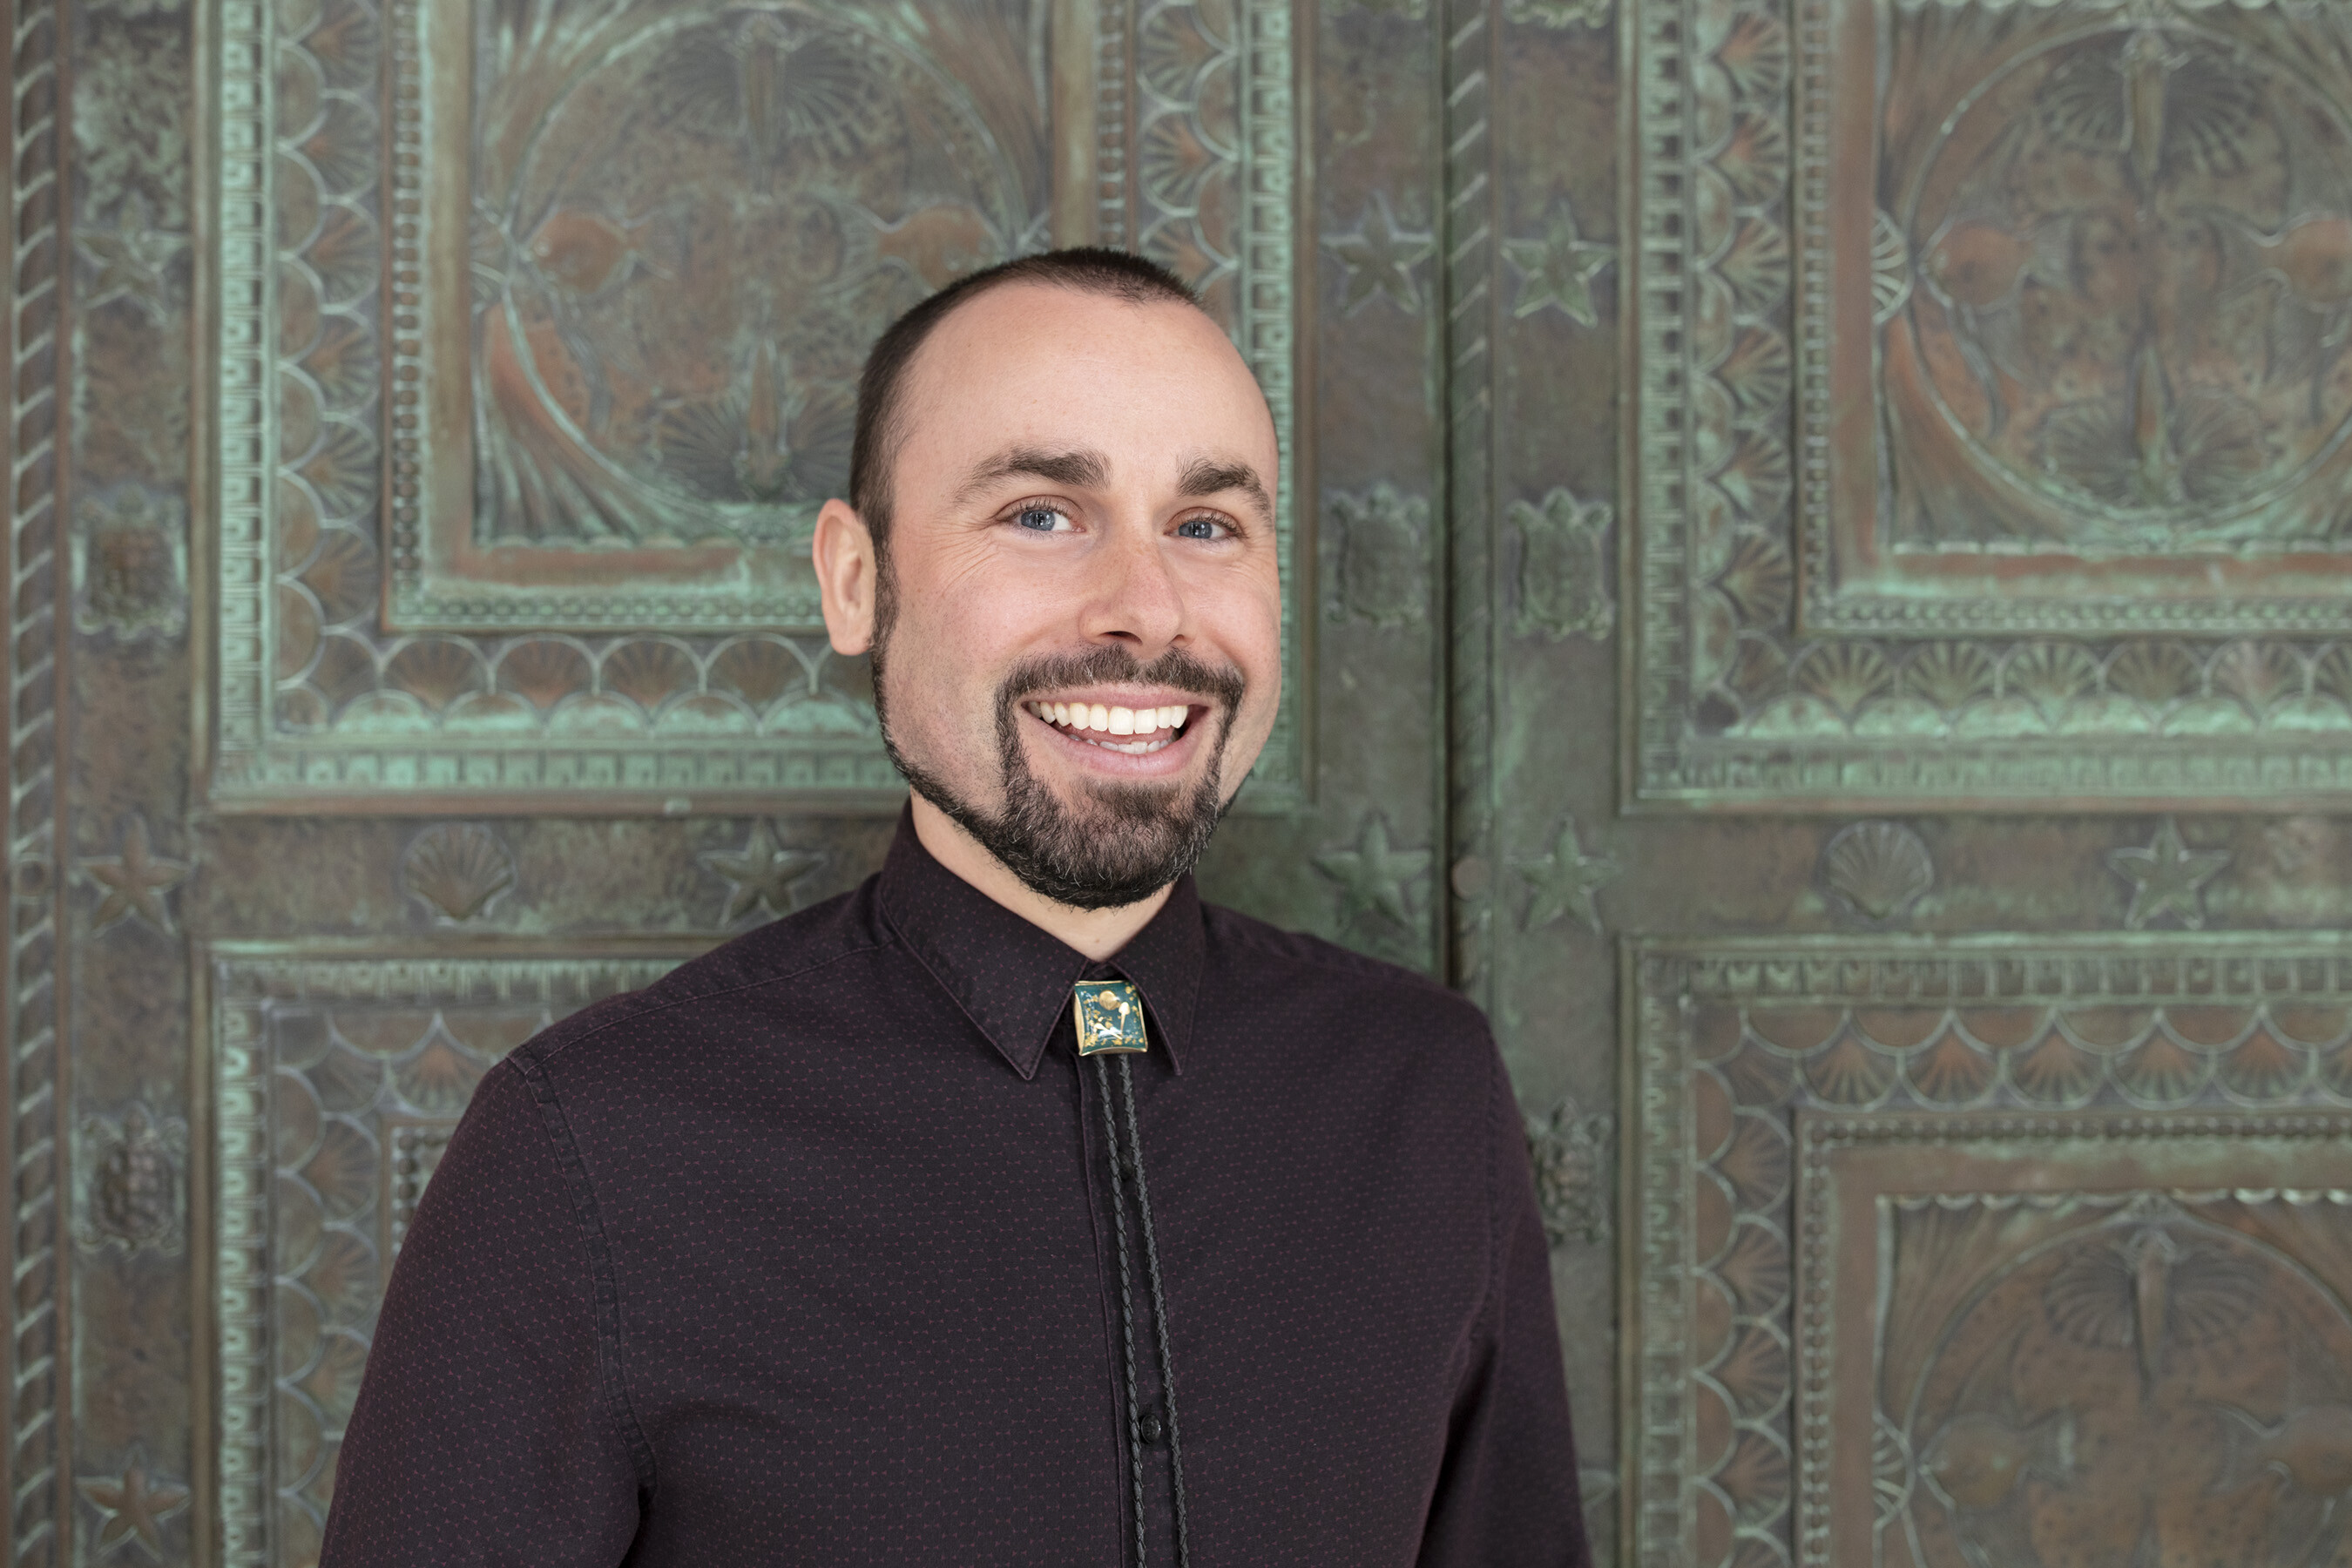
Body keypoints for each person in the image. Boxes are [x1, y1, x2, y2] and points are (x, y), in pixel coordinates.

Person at [321, 248, 1588, 1565]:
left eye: (1206, 525)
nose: (1147, 610)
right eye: (1041, 513)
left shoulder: (1427, 1092)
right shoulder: (589, 1146)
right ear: (854, 581)